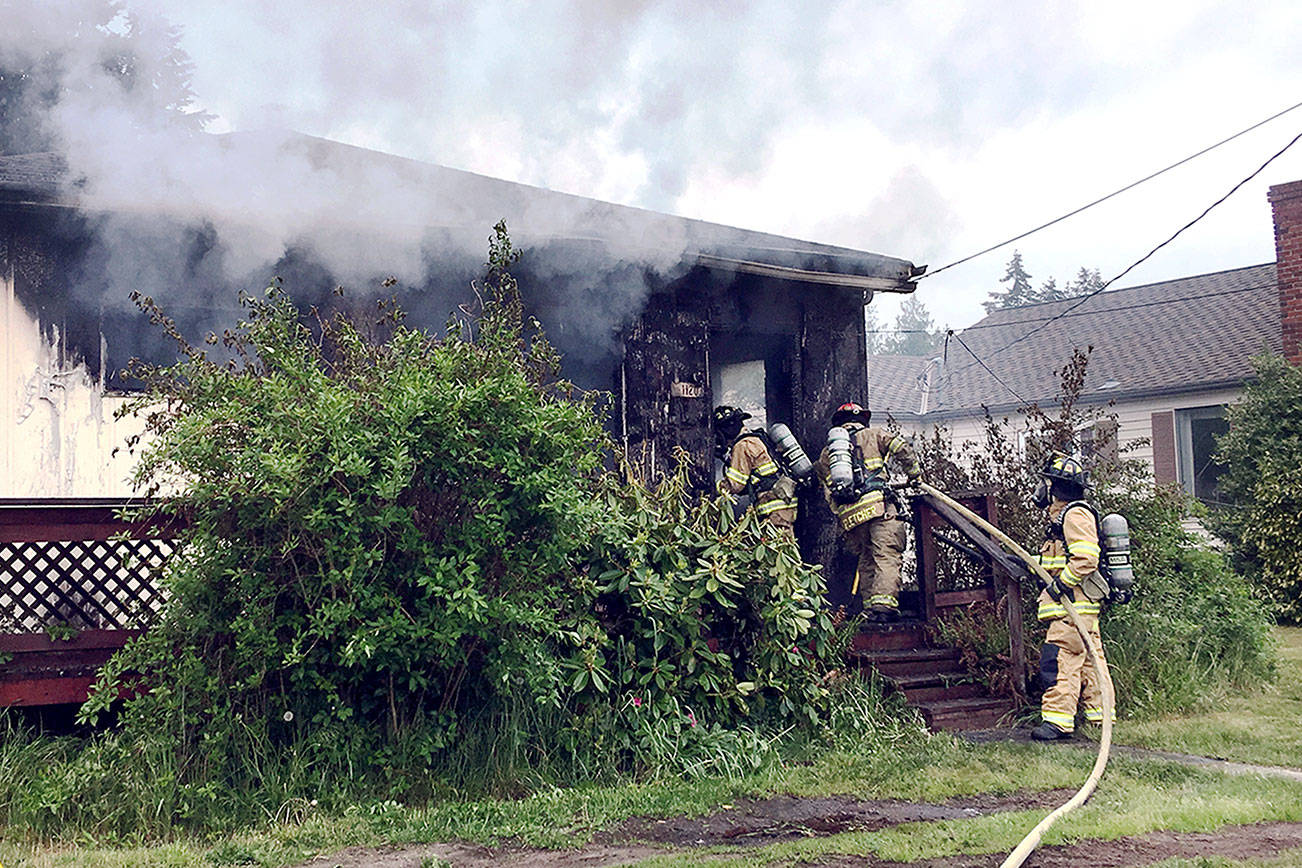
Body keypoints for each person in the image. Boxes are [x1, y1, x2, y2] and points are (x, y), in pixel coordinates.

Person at [1030, 452, 1117, 741]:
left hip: (1071, 609)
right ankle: (1100, 716)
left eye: (1047, 484)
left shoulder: (1074, 514)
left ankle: (1057, 722)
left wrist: (1059, 587)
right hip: (1081, 608)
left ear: (1055, 487)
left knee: (1060, 659)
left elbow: (1086, 558)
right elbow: (1061, 558)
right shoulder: (1064, 517)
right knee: (1091, 660)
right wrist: (1029, 562)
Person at [815, 402, 922, 622]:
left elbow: (827, 488)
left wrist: (842, 513)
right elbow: (902, 448)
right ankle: (884, 607)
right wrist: (914, 475)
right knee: (886, 554)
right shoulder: (875, 434)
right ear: (863, 419)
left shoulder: (829, 453)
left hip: (852, 516)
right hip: (879, 507)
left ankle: (870, 609)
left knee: (866, 557)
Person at [713, 405, 798, 533]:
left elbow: (736, 485)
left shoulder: (743, 445)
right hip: (783, 502)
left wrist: (714, 488)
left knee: (776, 548)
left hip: (774, 507)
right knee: (782, 545)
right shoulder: (757, 438)